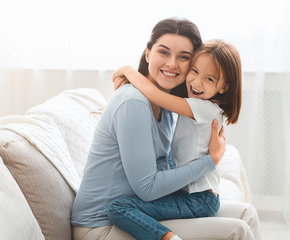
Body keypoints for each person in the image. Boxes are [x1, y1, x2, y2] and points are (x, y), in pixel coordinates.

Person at [71, 17, 227, 240]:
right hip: (101, 224)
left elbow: (165, 167)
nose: (172, 63)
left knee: (246, 214)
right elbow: (148, 188)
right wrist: (211, 160)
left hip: (139, 214)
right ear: (147, 54)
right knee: (237, 231)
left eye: (183, 57)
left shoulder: (168, 107)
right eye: (164, 52)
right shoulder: (133, 102)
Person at [107, 40, 244, 240]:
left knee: (119, 208)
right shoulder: (196, 104)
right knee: (127, 202)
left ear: (224, 86)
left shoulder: (204, 109)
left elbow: (155, 95)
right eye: (194, 71)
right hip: (192, 195)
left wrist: (128, 70)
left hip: (199, 199)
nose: (197, 82)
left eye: (209, 79)